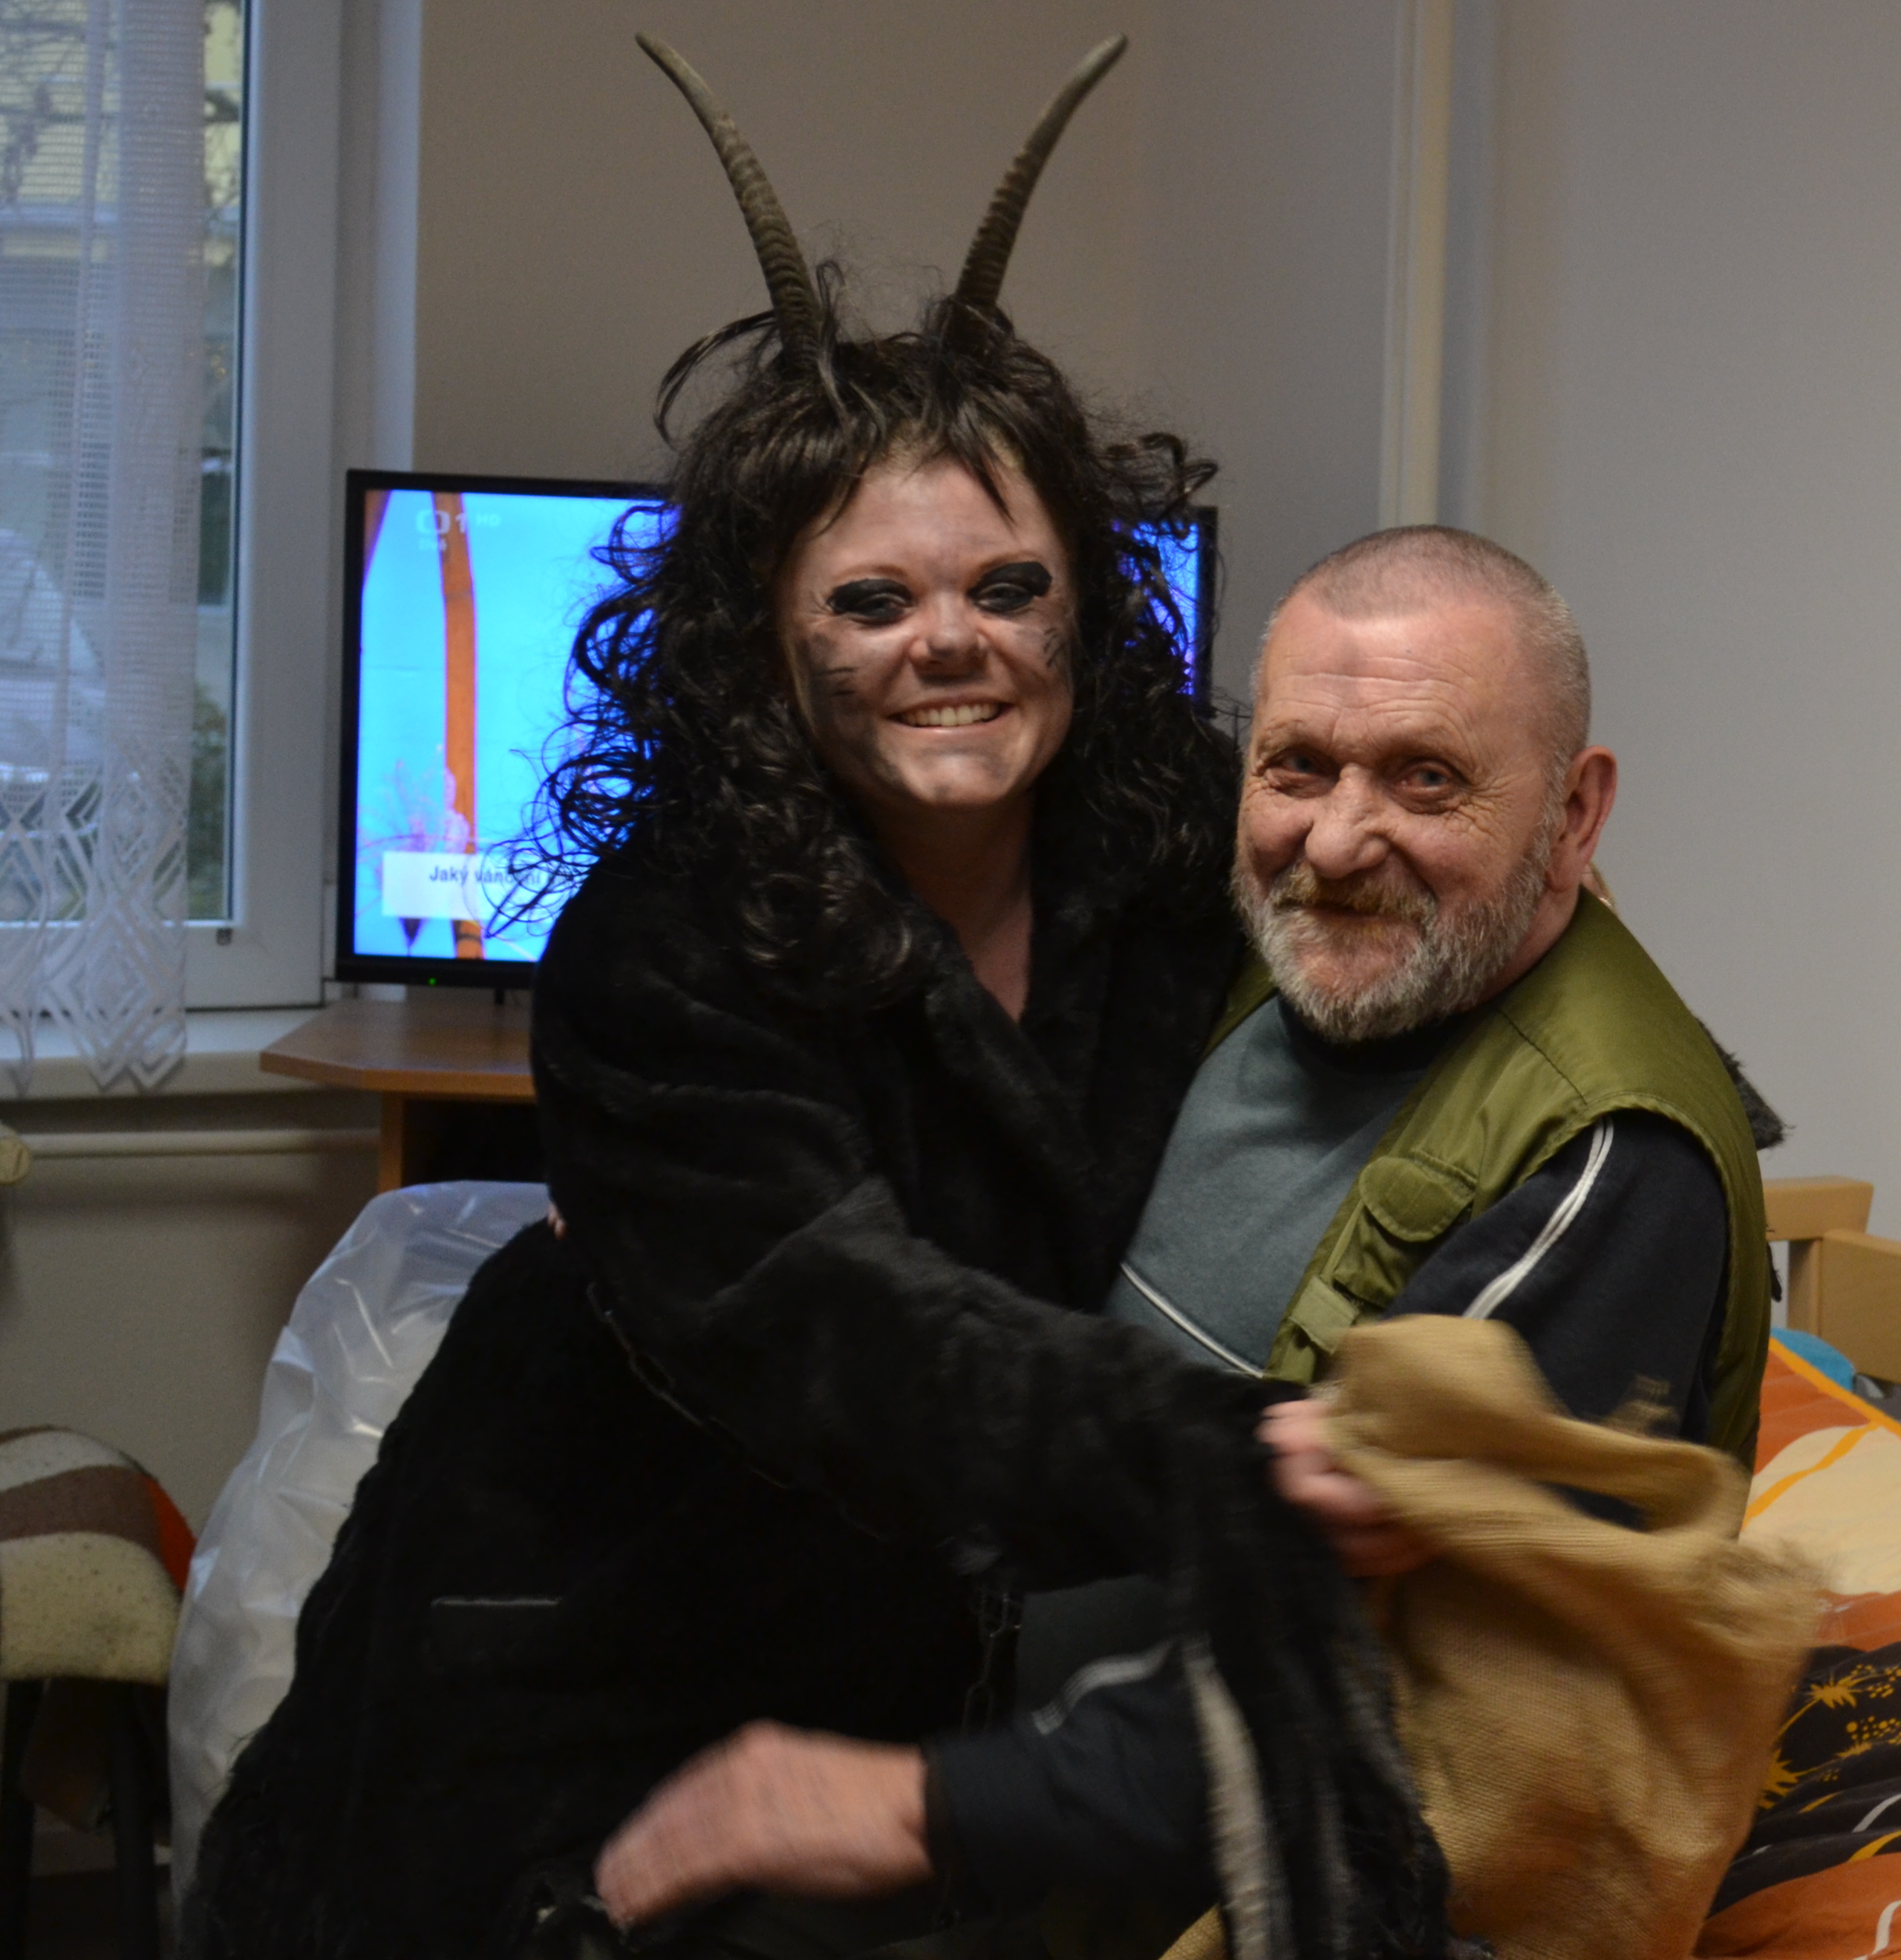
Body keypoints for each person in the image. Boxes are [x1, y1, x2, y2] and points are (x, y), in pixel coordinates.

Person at [182, 42, 1444, 1960]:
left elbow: (1421, 916)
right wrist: (1217, 1455)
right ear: (765, 642)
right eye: (872, 601)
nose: (951, 642)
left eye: (1007, 588)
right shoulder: (656, 952)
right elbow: (848, 1334)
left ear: (1087, 614)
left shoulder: (1168, 880)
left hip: (894, 1689)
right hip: (566, 1659)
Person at [587, 526, 1781, 1935]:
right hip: (1018, 1782)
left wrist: (930, 1808)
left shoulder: (1606, 1160)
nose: (1337, 841)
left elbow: (1409, 1706)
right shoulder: (1266, 960)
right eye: (1297, 767)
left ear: (1575, 813)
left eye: (1426, 778)